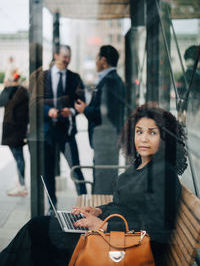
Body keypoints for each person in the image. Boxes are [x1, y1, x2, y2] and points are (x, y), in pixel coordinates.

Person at [0, 102, 188, 266]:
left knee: (37, 230)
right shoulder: (140, 164)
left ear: (165, 138)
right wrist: (97, 211)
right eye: (139, 132)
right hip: (111, 233)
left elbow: (158, 228)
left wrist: (103, 226)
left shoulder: (164, 174)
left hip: (122, 245)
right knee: (38, 229)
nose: (144, 138)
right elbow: (121, 204)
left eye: (152, 133)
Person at [75, 45, 125, 194]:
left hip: (106, 141)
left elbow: (104, 113)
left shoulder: (110, 81)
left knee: (103, 183)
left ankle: (100, 213)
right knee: (103, 178)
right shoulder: (113, 80)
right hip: (107, 140)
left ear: (103, 60)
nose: (96, 62)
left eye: (97, 58)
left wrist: (85, 109)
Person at [43, 45, 87, 212]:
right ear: (55, 55)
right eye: (64, 56)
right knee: (48, 172)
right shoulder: (44, 77)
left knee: (76, 168)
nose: (67, 60)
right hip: (48, 131)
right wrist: (49, 111)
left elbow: (81, 100)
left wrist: (73, 111)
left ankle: (84, 206)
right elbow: (36, 102)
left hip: (67, 132)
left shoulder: (75, 77)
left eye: (69, 56)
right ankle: (51, 206)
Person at [0, 71, 29, 196]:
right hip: (13, 130)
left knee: (19, 158)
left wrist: (7, 88)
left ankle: (22, 185)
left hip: (15, 131)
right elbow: (1, 101)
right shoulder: (14, 91)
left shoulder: (20, 92)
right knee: (18, 158)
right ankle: (21, 183)